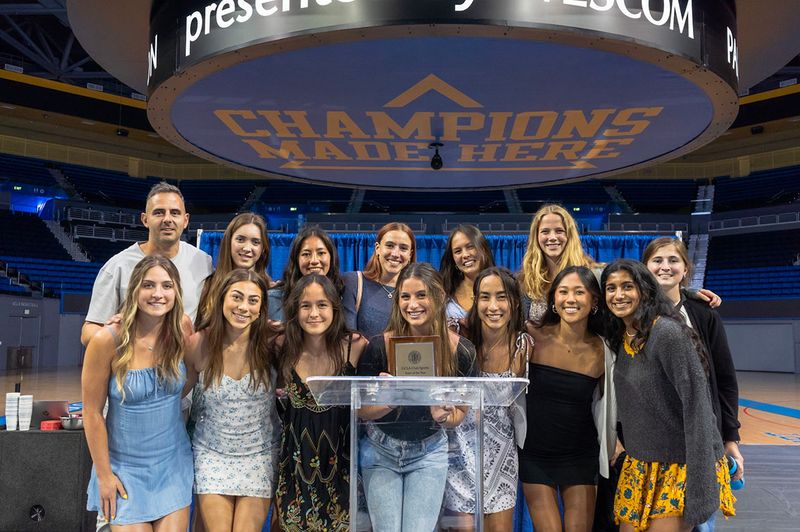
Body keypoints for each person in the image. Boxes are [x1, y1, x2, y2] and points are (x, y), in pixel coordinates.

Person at [601, 259, 735, 531]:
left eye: (628, 286)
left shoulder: (667, 333)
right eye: (610, 288)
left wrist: (700, 484)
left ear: (645, 291)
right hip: (640, 466)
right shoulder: (620, 335)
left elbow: (697, 409)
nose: (619, 295)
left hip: (682, 465)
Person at [357, 263, 478, 532]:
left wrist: (444, 416)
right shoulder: (379, 346)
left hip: (429, 454)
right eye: (405, 296)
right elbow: (360, 410)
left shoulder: (463, 351)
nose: (412, 304)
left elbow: (459, 415)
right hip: (380, 453)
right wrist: (389, 401)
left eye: (421, 295)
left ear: (438, 297)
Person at [82, 255, 193, 529]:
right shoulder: (107, 340)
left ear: (177, 292)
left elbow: (188, 378)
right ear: (134, 290)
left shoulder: (182, 328)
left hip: (172, 464)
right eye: (148, 285)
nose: (158, 294)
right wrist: (105, 475)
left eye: (167, 286)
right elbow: (92, 413)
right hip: (124, 469)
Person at [642, 237, 743, 532]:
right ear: (645, 268)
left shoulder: (704, 313)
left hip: (701, 437)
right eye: (657, 260)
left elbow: (724, 380)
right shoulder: (632, 313)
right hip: (654, 442)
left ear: (686, 268)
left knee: (700, 521)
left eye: (673, 260)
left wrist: (730, 438)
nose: (665, 266)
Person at [520, 266, 617, 532]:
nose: (570, 299)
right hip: (535, 455)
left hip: (580, 456)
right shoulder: (531, 336)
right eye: (563, 292)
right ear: (553, 299)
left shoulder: (605, 350)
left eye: (579, 292)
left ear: (594, 300)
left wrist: (689, 295)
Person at [186, 269, 281, 532]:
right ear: (222, 299)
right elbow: (174, 393)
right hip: (212, 453)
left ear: (262, 308)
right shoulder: (199, 344)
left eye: (253, 300)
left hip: (259, 455)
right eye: (236, 297)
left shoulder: (272, 345)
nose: (243, 307)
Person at [519, 204, 721, 325]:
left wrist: (688, 293)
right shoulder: (524, 282)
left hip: (587, 368)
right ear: (536, 237)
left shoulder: (595, 275)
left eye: (559, 231)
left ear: (570, 235)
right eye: (545, 231)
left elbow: (642, 289)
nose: (552, 237)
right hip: (540, 369)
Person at [274, 274, 368, 531]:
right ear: (295, 310)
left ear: (335, 308)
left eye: (322, 305)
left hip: (342, 466)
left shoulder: (355, 346)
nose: (314, 313)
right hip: (294, 466)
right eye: (306, 306)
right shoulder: (282, 345)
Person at [443, 267, 530, 531]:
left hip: (502, 456)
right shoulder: (458, 341)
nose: (493, 306)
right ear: (475, 301)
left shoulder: (524, 346)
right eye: (485, 297)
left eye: (501, 297)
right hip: (458, 453)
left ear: (514, 302)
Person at [81, 182, 213, 346]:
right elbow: (89, 331)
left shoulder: (203, 262)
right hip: (133, 366)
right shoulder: (117, 266)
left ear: (185, 220)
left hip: (181, 367)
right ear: (145, 219)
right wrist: (126, 338)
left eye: (175, 213)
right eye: (158, 213)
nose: (167, 219)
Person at [343, 222, 416, 339]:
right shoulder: (354, 281)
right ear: (377, 248)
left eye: (403, 248)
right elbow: (348, 338)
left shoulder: (416, 292)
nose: (395, 254)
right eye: (390, 245)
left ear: (410, 255)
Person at [195, 212, 270, 326]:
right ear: (228, 242)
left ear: (263, 248)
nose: (247, 248)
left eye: (255, 242)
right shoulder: (207, 286)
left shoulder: (270, 290)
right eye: (240, 239)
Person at [268, 225, 344, 321]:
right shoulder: (273, 299)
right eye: (306, 254)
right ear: (296, 259)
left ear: (331, 258)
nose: (314, 260)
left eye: (321, 253)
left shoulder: (344, 297)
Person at [440, 224, 495, 322]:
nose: (465, 255)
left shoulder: (504, 287)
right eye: (458, 251)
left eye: (470, 247)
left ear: (484, 250)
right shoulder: (444, 292)